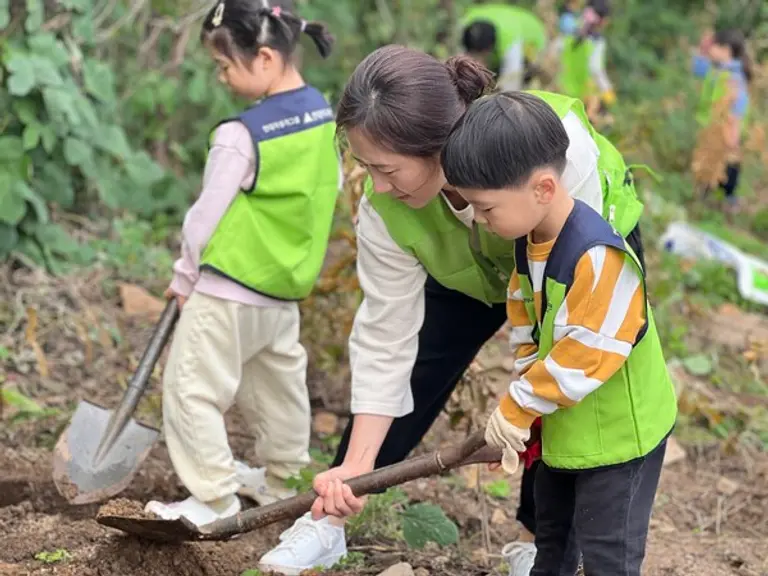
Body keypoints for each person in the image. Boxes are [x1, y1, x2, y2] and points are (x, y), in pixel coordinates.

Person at [258, 45, 649, 576]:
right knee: (417, 368)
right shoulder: (387, 209)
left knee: (563, 385)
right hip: (473, 273)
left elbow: (570, 341)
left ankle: (541, 541)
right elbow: (384, 335)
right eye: (365, 166)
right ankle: (330, 518)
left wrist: (519, 407)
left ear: (439, 148)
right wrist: (355, 466)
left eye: (387, 168)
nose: (376, 185)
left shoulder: (547, 151)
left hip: (567, 259)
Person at [441, 91, 677, 576]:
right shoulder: (531, 241)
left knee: (608, 554)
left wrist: (519, 405)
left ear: (543, 188)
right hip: (570, 429)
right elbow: (526, 316)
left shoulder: (598, 257)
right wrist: (528, 405)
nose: (480, 220)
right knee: (553, 540)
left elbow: (585, 351)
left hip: (619, 439)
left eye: (486, 208)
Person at [143, 0, 340, 526]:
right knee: (279, 392)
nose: (223, 77)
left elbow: (204, 218)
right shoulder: (322, 113)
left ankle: (212, 497)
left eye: (226, 65)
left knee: (191, 388)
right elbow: (330, 189)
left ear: (266, 58)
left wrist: (185, 274)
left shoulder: (241, 134)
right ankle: (284, 482)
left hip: (226, 287)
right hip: (284, 289)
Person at [693, 28, 751, 214]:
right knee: (708, 170)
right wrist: (703, 47)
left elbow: (737, 111)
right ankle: (706, 206)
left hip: (725, 132)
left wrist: (732, 137)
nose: (711, 50)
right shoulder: (717, 70)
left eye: (715, 45)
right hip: (711, 130)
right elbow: (696, 68)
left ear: (726, 49)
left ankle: (724, 205)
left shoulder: (734, 78)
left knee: (723, 170)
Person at [461, 3, 548, 90]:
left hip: (533, 35)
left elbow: (511, 83)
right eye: (473, 55)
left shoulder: (510, 40)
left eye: (480, 57)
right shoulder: (466, 22)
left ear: (489, 49)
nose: (477, 62)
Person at [558, 0, 616, 119]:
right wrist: (610, 96)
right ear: (604, 21)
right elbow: (596, 70)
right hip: (579, 99)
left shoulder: (568, 28)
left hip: (557, 89)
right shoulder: (596, 42)